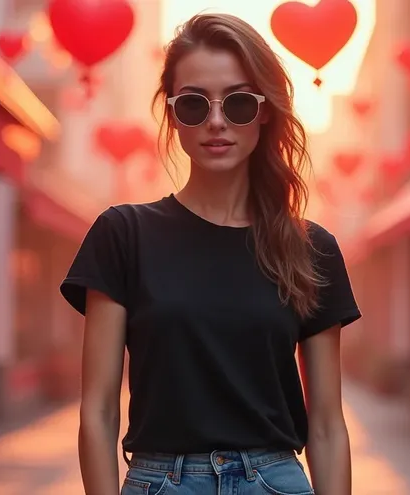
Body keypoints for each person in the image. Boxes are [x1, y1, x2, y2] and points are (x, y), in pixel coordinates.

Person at [60, 12, 361, 495]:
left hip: (275, 483)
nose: (217, 121)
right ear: (173, 112)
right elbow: (97, 411)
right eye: (195, 104)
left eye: (238, 103)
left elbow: (326, 424)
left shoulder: (311, 249)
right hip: (162, 482)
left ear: (265, 110)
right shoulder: (123, 235)